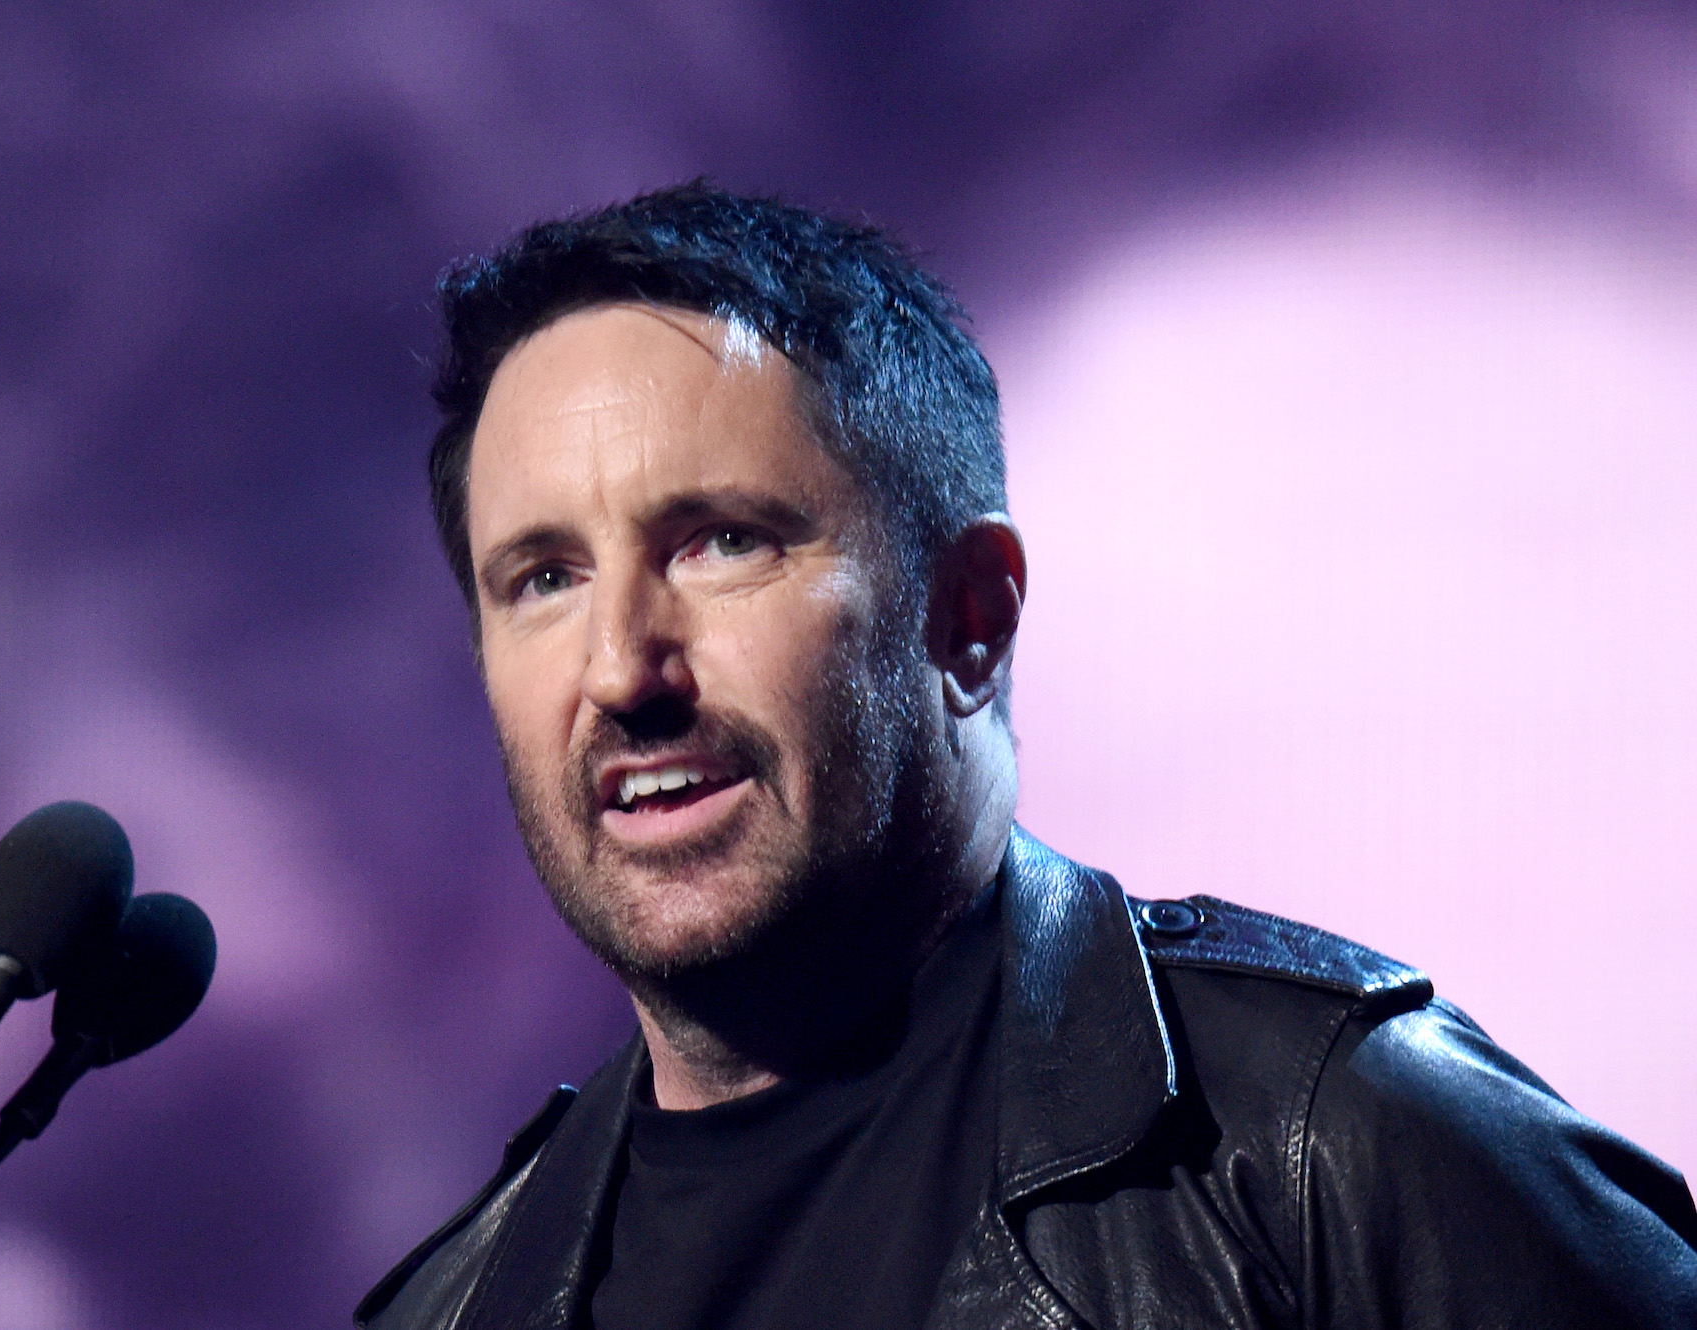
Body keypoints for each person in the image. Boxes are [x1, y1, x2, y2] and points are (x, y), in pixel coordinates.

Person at [357, 183, 1697, 1329]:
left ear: (971, 617)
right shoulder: (450, 1308)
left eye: (721, 542)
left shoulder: (1339, 1150)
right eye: (543, 577)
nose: (620, 669)